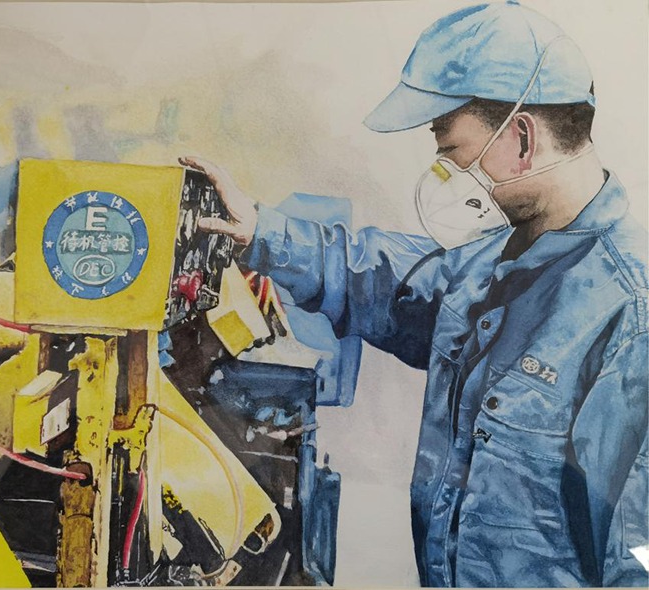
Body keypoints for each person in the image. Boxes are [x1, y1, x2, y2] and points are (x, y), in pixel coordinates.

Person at [180, 0, 648, 587]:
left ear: (522, 138)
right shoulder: (490, 266)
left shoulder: (630, 316)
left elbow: (639, 557)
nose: (443, 169)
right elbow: (383, 281)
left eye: (450, 149)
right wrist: (261, 233)